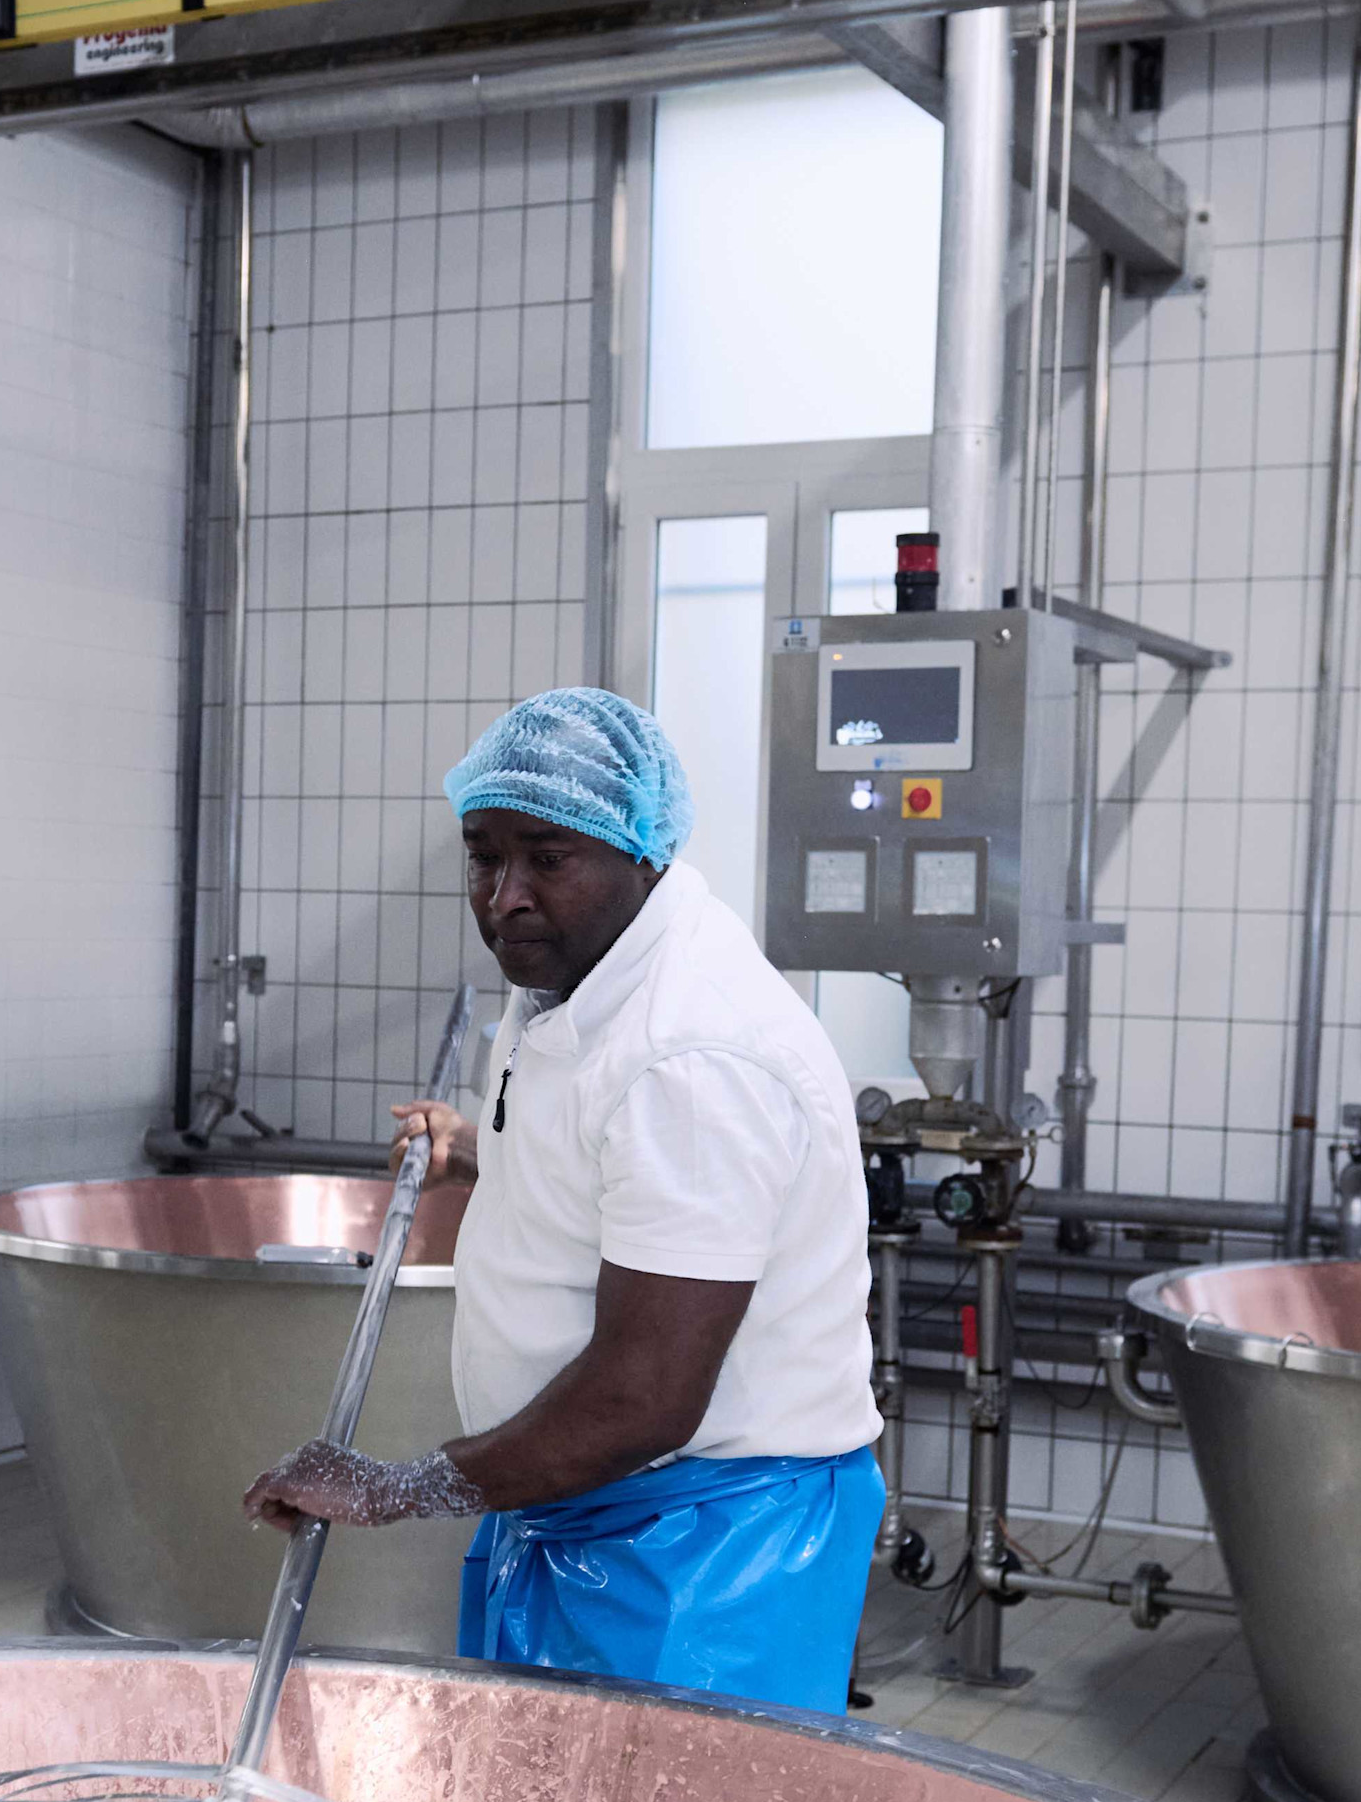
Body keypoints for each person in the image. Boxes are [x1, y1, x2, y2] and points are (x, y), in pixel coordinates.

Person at [242, 687, 883, 1715]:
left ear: (641, 850)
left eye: (546, 857)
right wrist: (481, 1153)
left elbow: (644, 1395)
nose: (504, 897)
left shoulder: (693, 1053)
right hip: (585, 1514)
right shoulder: (574, 975)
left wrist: (399, 1486)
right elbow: (615, 1179)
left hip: (700, 1552)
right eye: (481, 857)